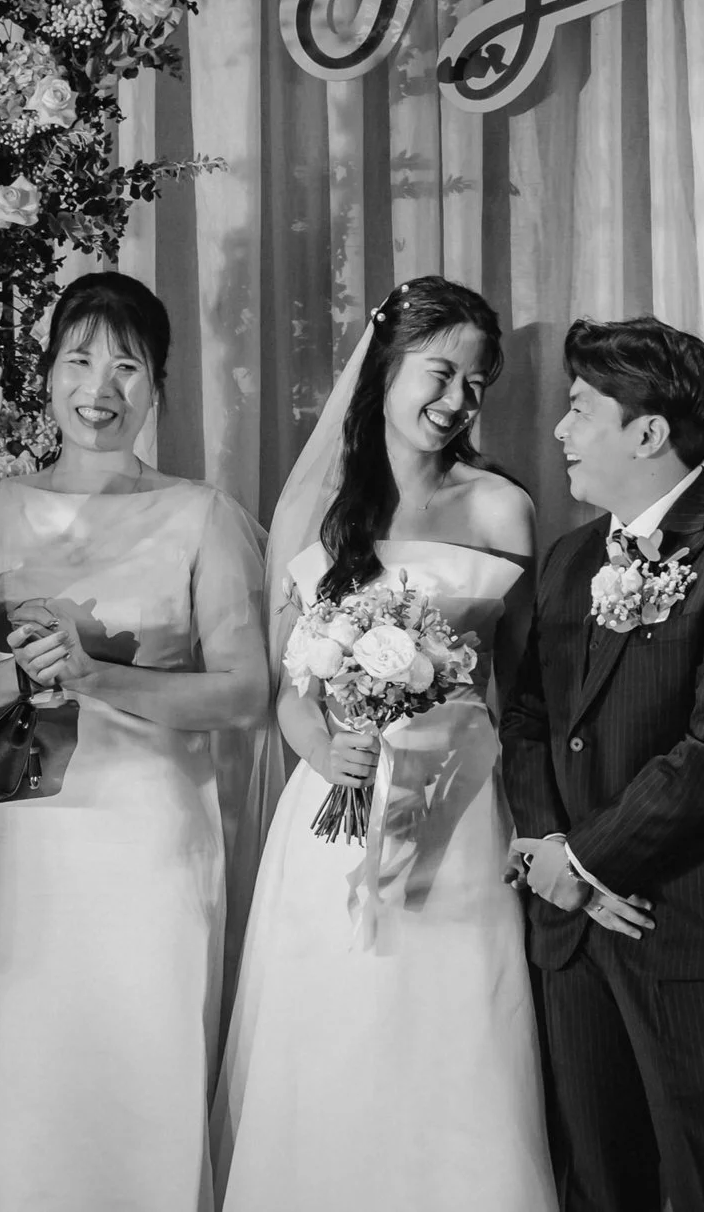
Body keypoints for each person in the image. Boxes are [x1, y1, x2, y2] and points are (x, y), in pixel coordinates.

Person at [0, 272, 273, 1212]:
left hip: (152, 838)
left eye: (127, 367)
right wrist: (22, 678)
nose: (99, 387)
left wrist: (95, 675)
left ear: (158, 387)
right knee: (26, 1079)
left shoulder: (201, 514)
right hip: (31, 840)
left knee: (142, 1072)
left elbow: (244, 691)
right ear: (46, 375)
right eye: (78, 360)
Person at [216, 277, 555, 1212]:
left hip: (461, 808)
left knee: (452, 1027)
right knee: (337, 1026)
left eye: (476, 383)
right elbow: (289, 691)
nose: (456, 400)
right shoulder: (314, 512)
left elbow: (527, 688)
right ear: (385, 367)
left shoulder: (503, 508)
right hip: (336, 811)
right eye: (439, 373)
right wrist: (325, 752)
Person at [499, 316, 704, 1212]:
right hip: (571, 928)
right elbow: (529, 717)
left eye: (579, 409)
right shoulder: (568, 560)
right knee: (598, 1180)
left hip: (689, 927)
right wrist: (551, 851)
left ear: (646, 433)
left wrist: (586, 859)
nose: (560, 430)